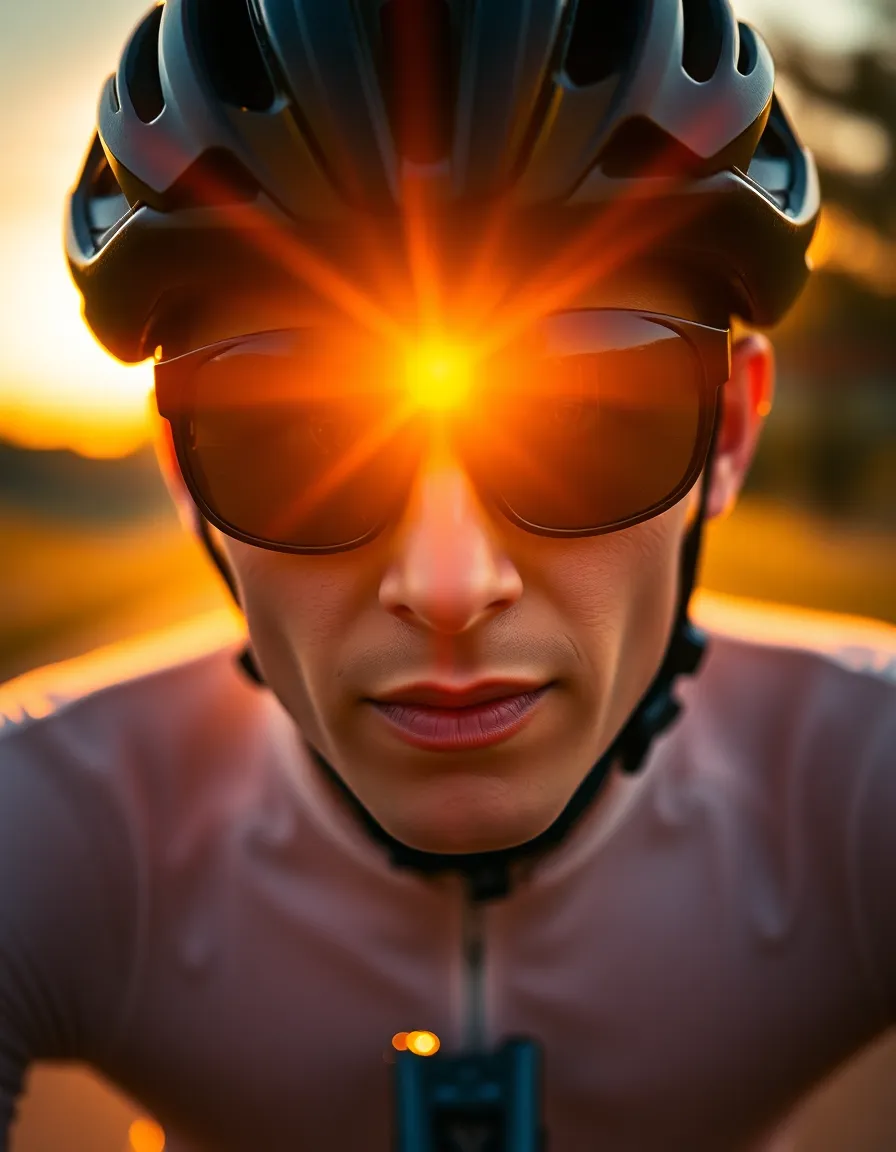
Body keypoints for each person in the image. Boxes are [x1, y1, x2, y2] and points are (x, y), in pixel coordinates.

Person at [2, 1, 894, 1149]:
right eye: (295, 435)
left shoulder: (863, 791)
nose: (445, 581)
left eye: (582, 415)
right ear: (183, 470)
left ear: (726, 437)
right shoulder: (48, 832)